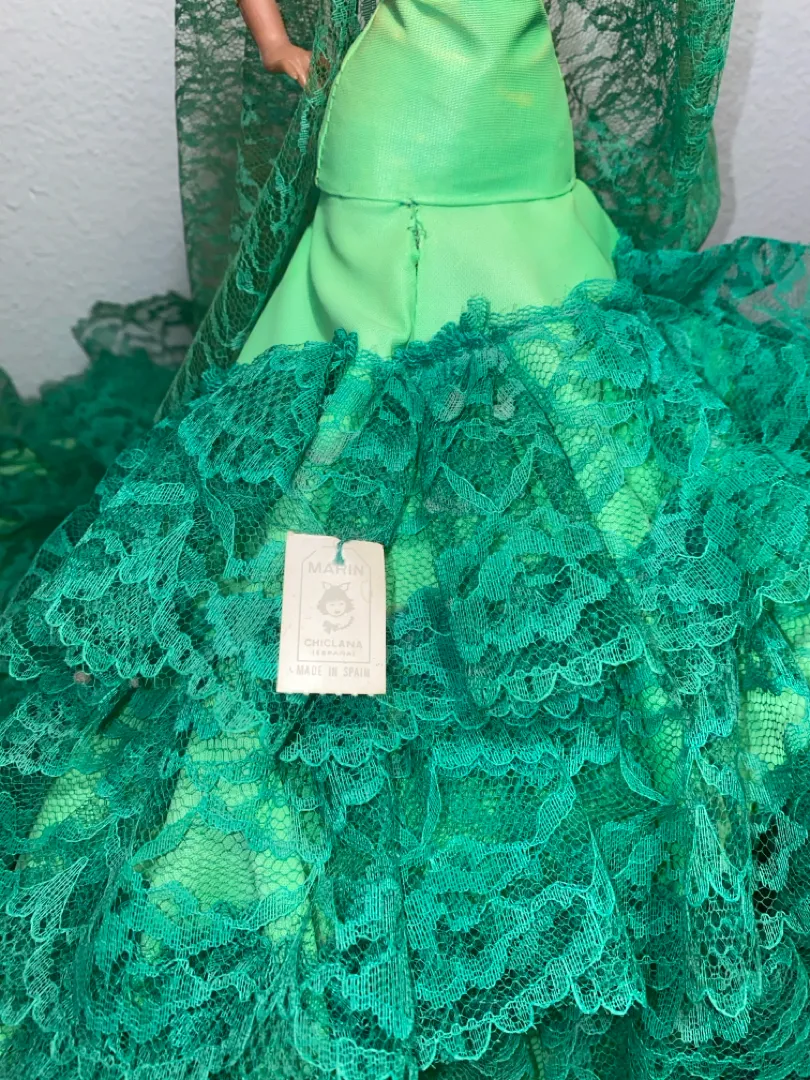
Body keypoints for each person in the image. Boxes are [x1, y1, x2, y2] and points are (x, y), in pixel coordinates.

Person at [1, 1, 810, 1077]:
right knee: (345, 445)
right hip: (395, 149)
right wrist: (275, 40)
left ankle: (579, 765)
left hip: (521, 140)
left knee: (581, 445)